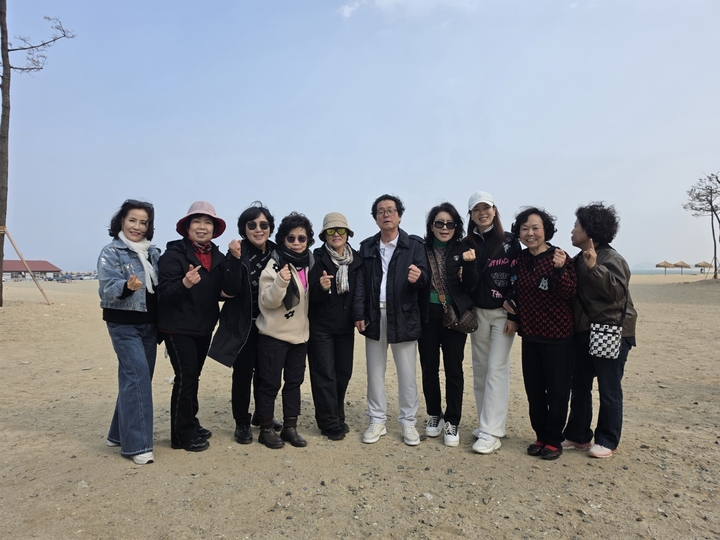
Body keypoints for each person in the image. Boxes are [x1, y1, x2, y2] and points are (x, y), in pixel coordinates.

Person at [352, 194, 429, 446]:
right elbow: (360, 283)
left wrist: (419, 278)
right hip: (374, 315)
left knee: (407, 372)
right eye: (381, 211)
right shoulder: (367, 247)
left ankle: (408, 422)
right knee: (375, 371)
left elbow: (425, 279)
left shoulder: (414, 245)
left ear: (399, 215)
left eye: (391, 210)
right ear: (375, 218)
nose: (386, 215)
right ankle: (377, 419)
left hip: (404, 314)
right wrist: (359, 313)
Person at [562, 203, 637, 459]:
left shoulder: (612, 259)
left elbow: (616, 292)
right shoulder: (577, 259)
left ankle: (607, 439)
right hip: (584, 331)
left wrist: (595, 268)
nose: (572, 230)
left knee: (609, 387)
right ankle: (578, 435)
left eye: (576, 226)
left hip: (611, 332)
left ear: (589, 230)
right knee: (579, 384)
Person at [208, 202, 283, 444]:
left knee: (267, 373)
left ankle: (262, 415)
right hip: (243, 325)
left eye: (264, 225)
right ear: (244, 229)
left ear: (270, 228)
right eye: (252, 225)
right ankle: (242, 421)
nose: (258, 229)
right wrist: (234, 258)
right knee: (242, 374)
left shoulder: (277, 253)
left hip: (269, 323)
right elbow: (229, 289)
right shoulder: (236, 252)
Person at [158, 201, 226, 453]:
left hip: (203, 327)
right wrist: (185, 283)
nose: (202, 226)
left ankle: (190, 422)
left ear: (214, 229)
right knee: (185, 378)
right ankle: (181, 434)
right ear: (187, 227)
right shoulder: (173, 255)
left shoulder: (218, 257)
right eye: (196, 221)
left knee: (192, 378)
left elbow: (219, 291)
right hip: (177, 328)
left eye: (208, 222)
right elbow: (164, 293)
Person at [511, 207, 576, 460]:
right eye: (525, 228)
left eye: (535, 228)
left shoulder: (559, 256)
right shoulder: (520, 259)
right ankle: (540, 436)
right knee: (535, 390)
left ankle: (554, 440)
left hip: (558, 337)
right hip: (530, 336)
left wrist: (559, 270)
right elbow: (512, 288)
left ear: (545, 230)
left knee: (558, 391)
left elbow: (569, 292)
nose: (530, 233)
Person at [98, 199, 160, 465]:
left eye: (143, 222)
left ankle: (117, 434)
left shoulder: (153, 253)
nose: (137, 226)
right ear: (121, 221)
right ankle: (138, 446)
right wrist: (126, 287)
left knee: (136, 379)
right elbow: (106, 287)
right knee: (137, 378)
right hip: (123, 324)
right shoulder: (111, 251)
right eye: (132, 220)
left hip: (150, 325)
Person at [463, 191, 521, 454]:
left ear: (494, 210)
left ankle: (492, 431)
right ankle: (487, 422)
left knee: (497, 368)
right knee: (480, 369)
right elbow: (466, 281)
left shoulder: (509, 241)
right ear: (471, 215)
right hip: (478, 312)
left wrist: (514, 315)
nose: (482, 213)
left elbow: (516, 275)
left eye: (486, 208)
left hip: (502, 314)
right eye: (476, 209)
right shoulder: (467, 243)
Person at [418, 202, 478, 447]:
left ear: (456, 226)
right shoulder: (421, 249)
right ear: (431, 226)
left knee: (454, 369)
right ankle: (435, 414)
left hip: (455, 315)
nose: (444, 228)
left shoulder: (464, 249)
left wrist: (470, 265)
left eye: (450, 224)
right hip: (427, 315)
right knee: (429, 368)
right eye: (439, 223)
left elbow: (472, 285)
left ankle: (452, 420)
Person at [255, 212, 315, 449]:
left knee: (294, 383)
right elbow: (268, 302)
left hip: (300, 337)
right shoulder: (274, 264)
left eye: (302, 238)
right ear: (282, 240)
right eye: (291, 238)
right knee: (270, 384)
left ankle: (290, 427)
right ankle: (266, 429)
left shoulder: (310, 264)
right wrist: (280, 281)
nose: (297, 243)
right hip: (273, 336)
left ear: (308, 241)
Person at [307, 212, 362, 441]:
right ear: (324, 235)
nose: (336, 234)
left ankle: (337, 415)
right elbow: (308, 297)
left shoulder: (356, 260)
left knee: (343, 373)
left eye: (340, 230)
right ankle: (328, 422)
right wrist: (320, 287)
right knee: (324, 375)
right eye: (331, 230)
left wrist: (359, 316)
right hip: (320, 327)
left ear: (348, 234)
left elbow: (359, 293)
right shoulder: (316, 259)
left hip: (345, 328)